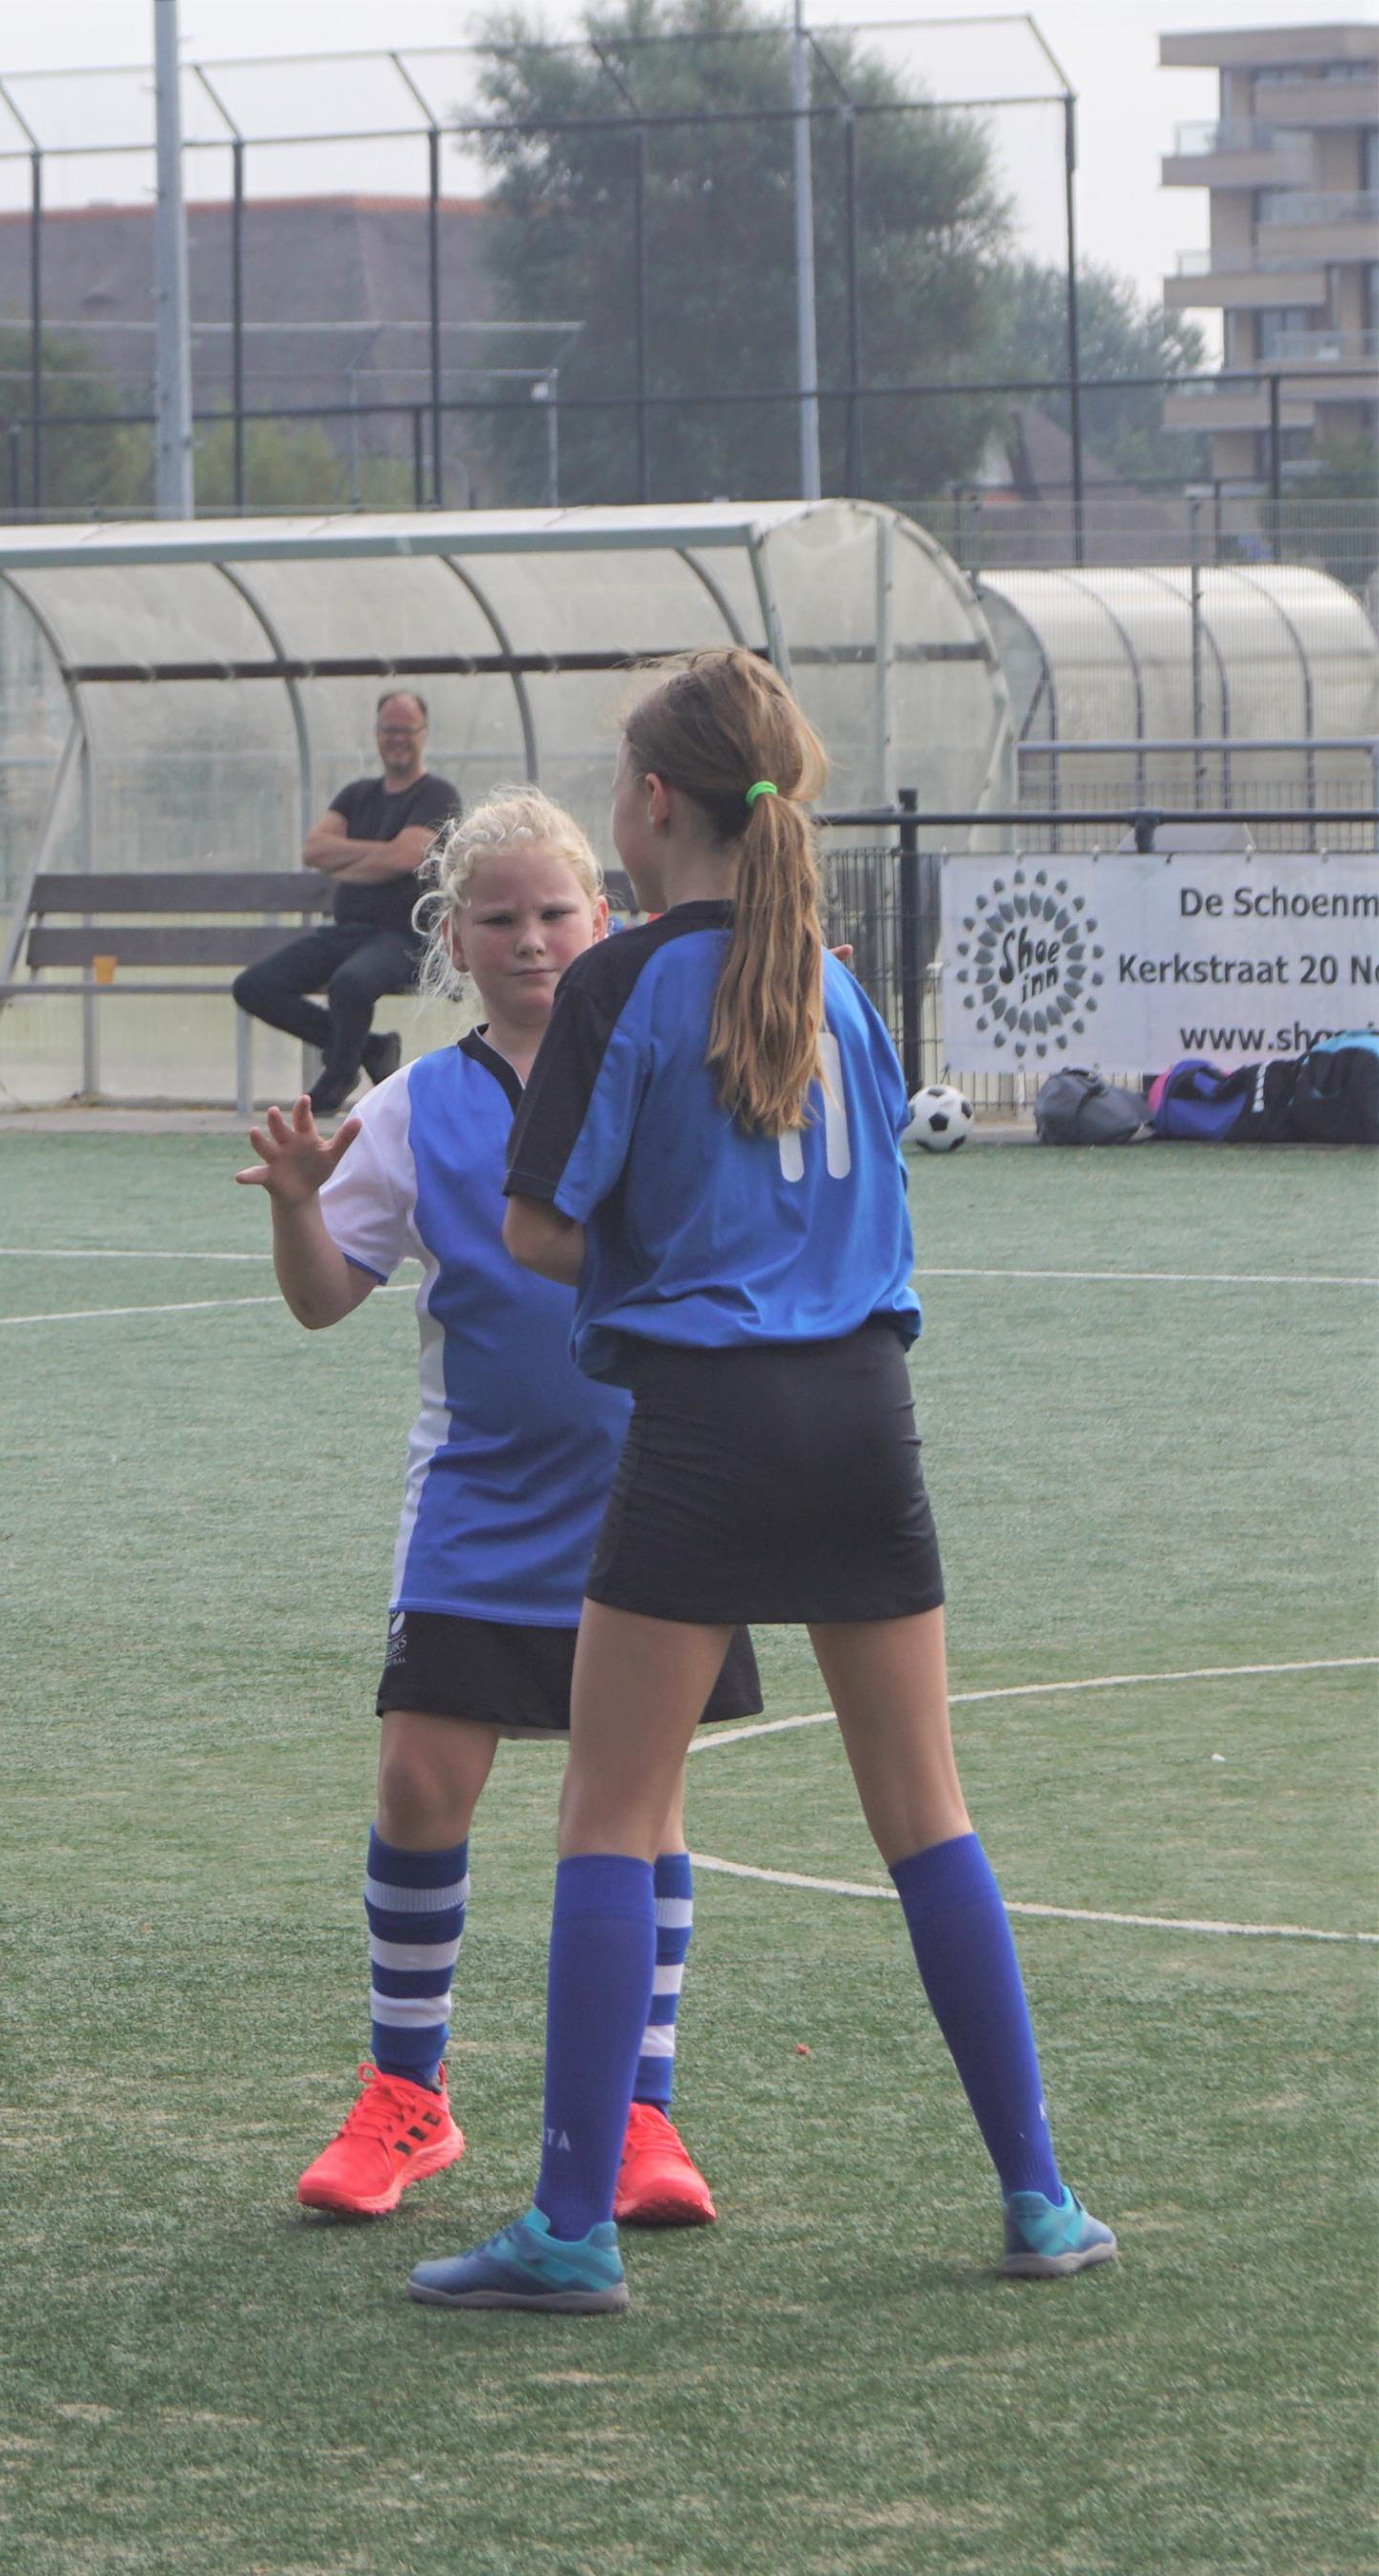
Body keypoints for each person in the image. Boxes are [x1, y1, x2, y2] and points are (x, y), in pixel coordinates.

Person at [410, 650, 1117, 2313]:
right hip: (866, 1409)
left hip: (707, 1424)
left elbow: (537, 1228)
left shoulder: (623, 984)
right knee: (926, 1811)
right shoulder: (838, 988)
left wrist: (662, 1255)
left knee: (607, 1811)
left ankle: (569, 2229)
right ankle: (1040, 2197)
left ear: (653, 803)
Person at [237, 788, 758, 2228]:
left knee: (641, 1810)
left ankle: (640, 2114)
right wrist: (295, 1202)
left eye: (555, 912)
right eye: (500, 918)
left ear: (608, 918)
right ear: (453, 941)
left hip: (656, 1495)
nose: (531, 939)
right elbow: (322, 1301)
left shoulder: (668, 1063)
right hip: (477, 1502)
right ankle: (408, 2097)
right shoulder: (414, 1106)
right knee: (419, 1780)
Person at [233, 690, 461, 1117]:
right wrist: (381, 855)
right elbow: (314, 850)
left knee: (350, 983)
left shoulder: (437, 795)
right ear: (376, 734)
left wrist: (349, 862)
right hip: (348, 933)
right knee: (254, 986)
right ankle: (369, 1048)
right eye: (388, 729)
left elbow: (404, 858)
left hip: (407, 937)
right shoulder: (357, 795)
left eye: (406, 730)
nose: (397, 739)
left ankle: (338, 1076)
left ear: (424, 733)